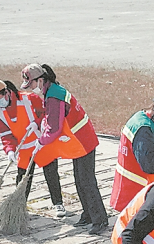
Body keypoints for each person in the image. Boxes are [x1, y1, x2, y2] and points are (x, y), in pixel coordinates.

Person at [20, 63, 109, 234]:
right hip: (77, 142)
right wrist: (36, 124)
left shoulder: (54, 96)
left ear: (40, 80)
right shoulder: (50, 91)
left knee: (87, 182)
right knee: (79, 179)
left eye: (31, 84)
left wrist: (42, 140)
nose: (30, 88)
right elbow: (48, 116)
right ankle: (88, 214)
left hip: (83, 141)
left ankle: (100, 220)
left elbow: (54, 127)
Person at [0, 79, 66, 217]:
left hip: (41, 144)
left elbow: (47, 114)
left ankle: (58, 203)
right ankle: (20, 207)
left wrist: (37, 123)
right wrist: (9, 150)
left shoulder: (29, 99)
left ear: (7, 92)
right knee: (22, 179)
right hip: (24, 149)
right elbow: (5, 133)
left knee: (51, 174)